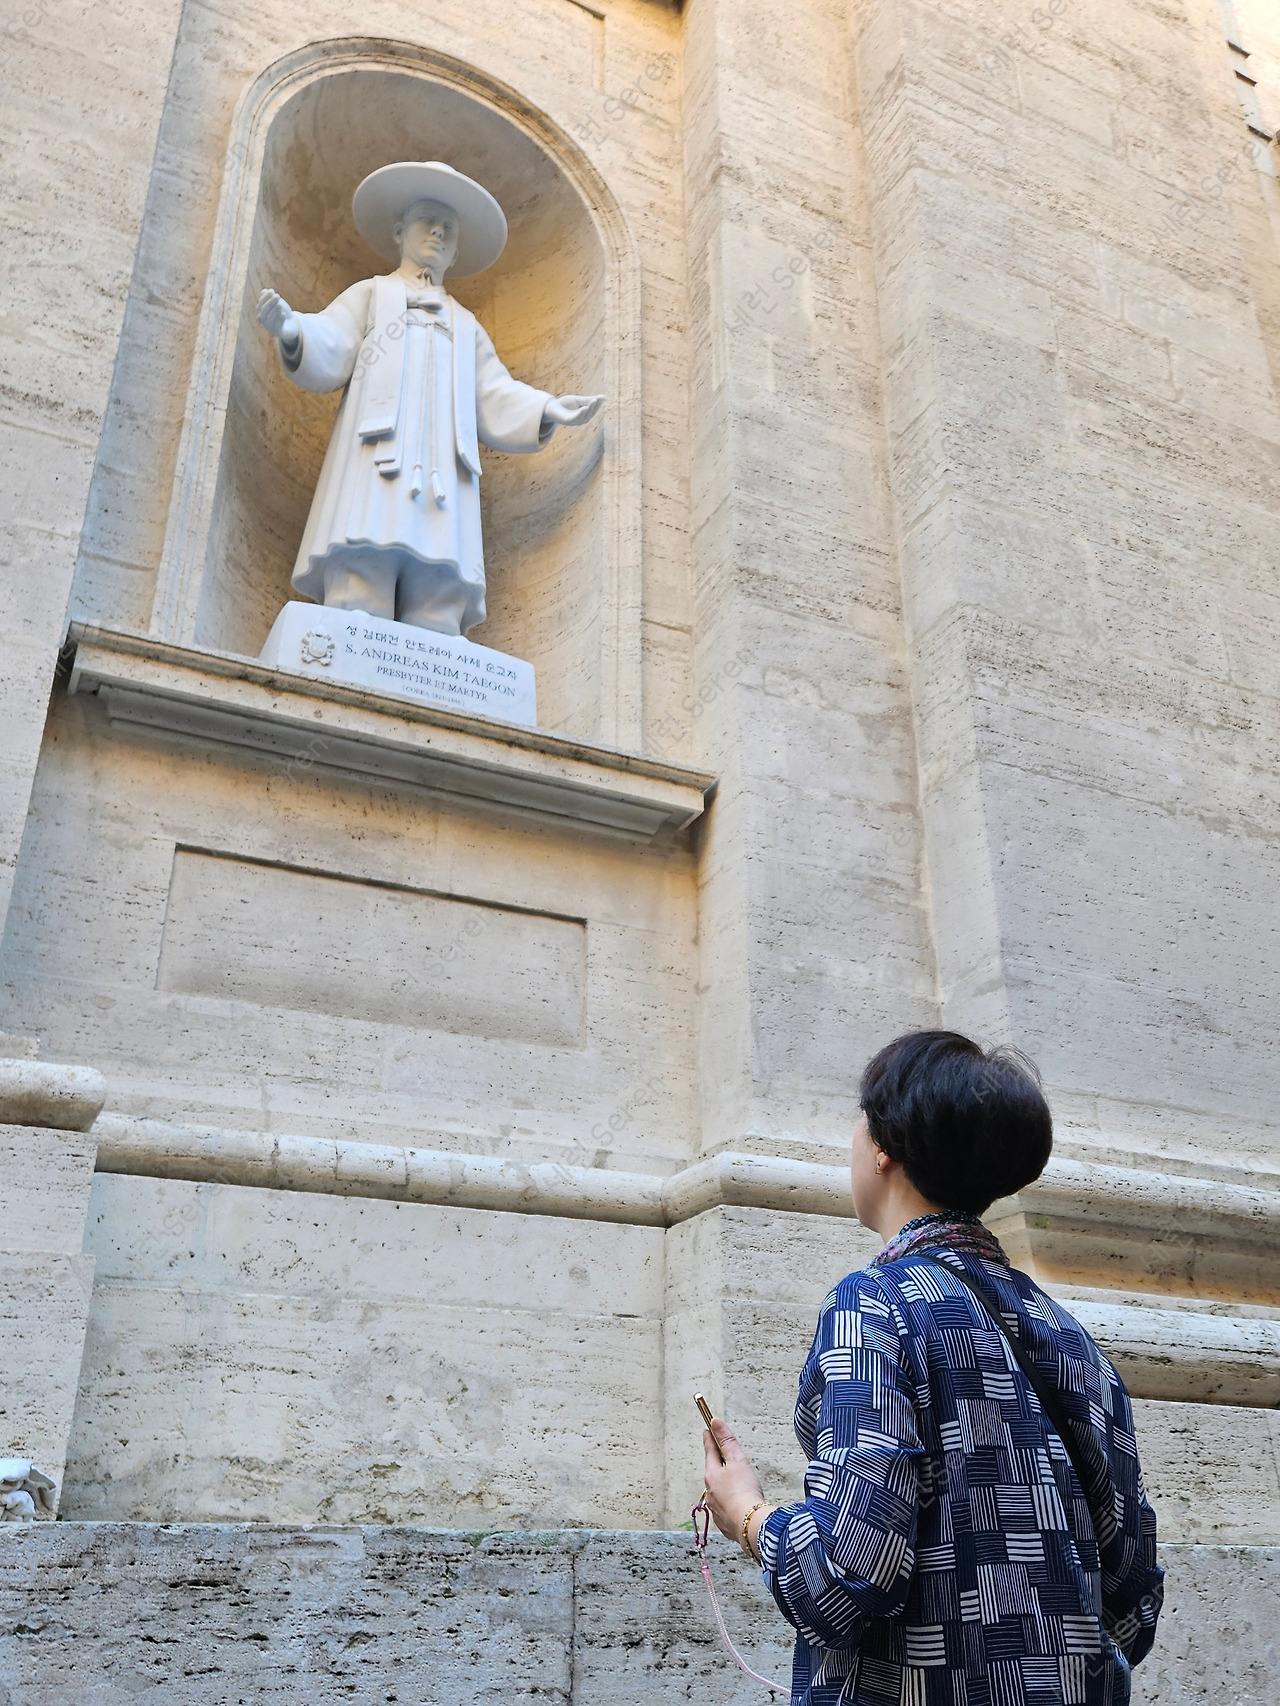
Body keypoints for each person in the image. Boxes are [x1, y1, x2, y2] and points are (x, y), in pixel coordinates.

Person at [701, 1030, 1164, 1706]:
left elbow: (850, 1576)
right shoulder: (1068, 1334)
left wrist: (746, 1512)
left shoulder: (873, 1306)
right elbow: (1132, 1604)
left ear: (883, 1146)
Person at [257, 161, 603, 636]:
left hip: (443, 467)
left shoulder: (464, 324)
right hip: (378, 456)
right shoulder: (373, 294)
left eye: (448, 228)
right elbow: (333, 340)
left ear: (456, 252)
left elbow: (492, 391)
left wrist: (545, 408)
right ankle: (358, 607)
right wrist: (293, 329)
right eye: (427, 221)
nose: (438, 232)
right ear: (400, 231)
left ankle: (436, 625)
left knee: (440, 582)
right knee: (364, 560)